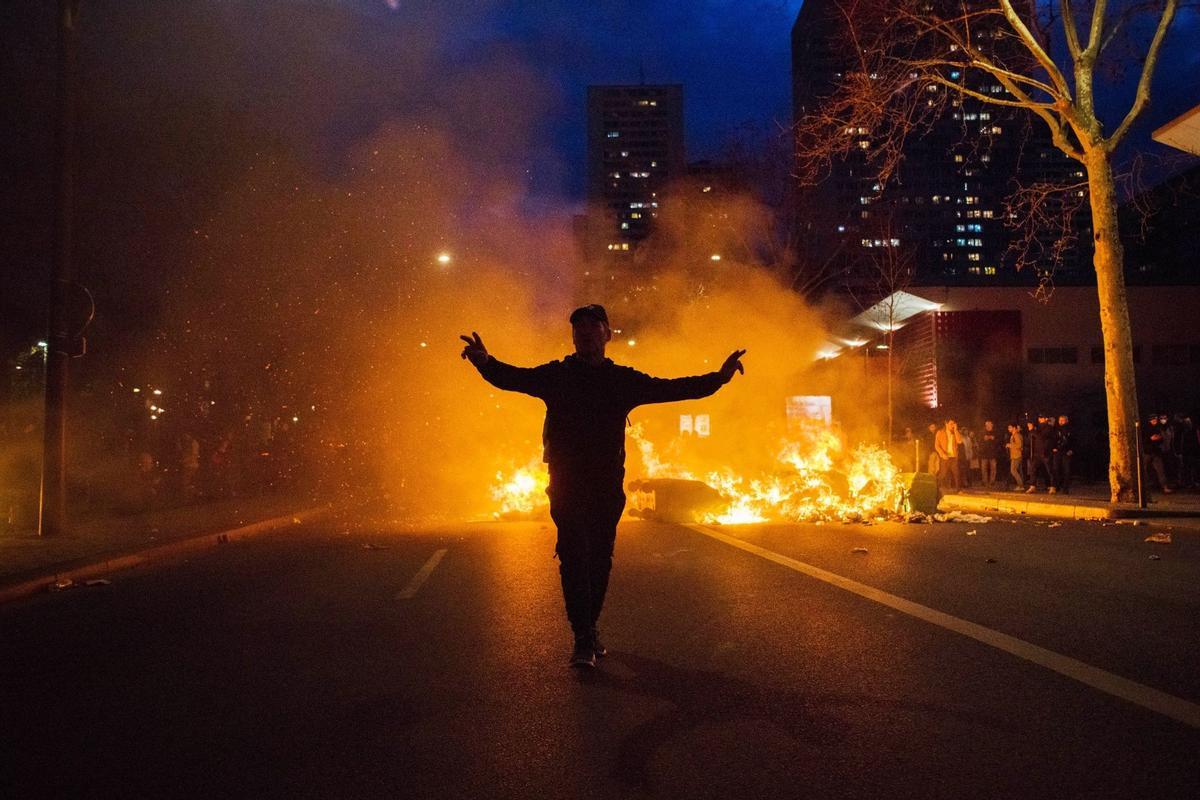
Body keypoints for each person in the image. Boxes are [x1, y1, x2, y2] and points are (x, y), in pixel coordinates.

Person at [460, 304, 746, 668]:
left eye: (593, 329)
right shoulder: (558, 376)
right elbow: (513, 378)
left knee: (599, 560)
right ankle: (582, 635)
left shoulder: (621, 380)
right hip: (566, 485)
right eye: (578, 330)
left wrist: (718, 379)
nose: (584, 335)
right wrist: (485, 362)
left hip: (607, 487)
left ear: (608, 335)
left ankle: (589, 627)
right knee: (573, 557)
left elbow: (673, 389)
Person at [935, 418, 961, 491]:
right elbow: (937, 445)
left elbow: (959, 441)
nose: (952, 426)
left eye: (953, 424)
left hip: (953, 457)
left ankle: (958, 490)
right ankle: (935, 487)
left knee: (956, 473)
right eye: (951, 424)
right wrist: (942, 454)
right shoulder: (940, 432)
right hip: (945, 457)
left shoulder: (955, 432)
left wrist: (955, 430)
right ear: (946, 424)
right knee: (942, 474)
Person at [1053, 414, 1074, 494]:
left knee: (1067, 470)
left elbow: (1073, 440)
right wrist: (1053, 448)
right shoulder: (1056, 429)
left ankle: (1065, 488)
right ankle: (1057, 486)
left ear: (1066, 421)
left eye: (1063, 420)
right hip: (1057, 452)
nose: (1061, 422)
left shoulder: (1070, 430)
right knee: (1056, 469)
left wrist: (1071, 449)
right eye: (1060, 420)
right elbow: (1053, 439)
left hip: (1066, 452)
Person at [978, 419, 999, 488]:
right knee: (984, 469)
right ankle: (985, 481)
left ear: (992, 425)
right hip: (984, 454)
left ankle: (992, 482)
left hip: (993, 454)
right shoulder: (982, 432)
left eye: (990, 425)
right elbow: (979, 441)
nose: (988, 426)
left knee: (993, 468)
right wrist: (983, 439)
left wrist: (994, 439)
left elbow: (999, 441)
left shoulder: (995, 432)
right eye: (987, 425)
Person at [1005, 423, 1024, 490]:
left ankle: (1021, 486)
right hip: (1014, 456)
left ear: (1014, 428)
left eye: (1010, 427)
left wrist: (1009, 445)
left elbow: (1019, 445)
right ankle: (1020, 485)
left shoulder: (1016, 435)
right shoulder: (1013, 435)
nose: (1008, 429)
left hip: (1016, 456)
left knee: (1013, 471)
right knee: (1014, 471)